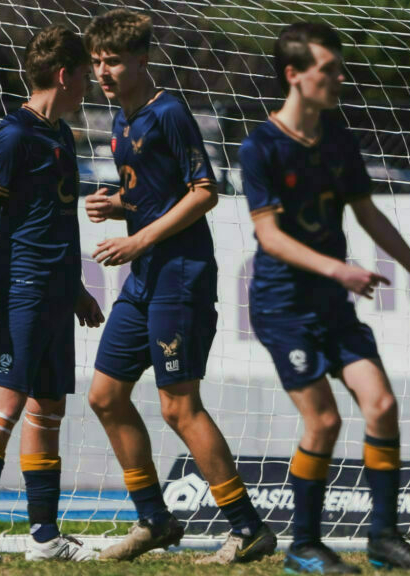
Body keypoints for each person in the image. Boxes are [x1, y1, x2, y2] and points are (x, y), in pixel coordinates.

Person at [239, 21, 410, 574]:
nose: (340, 77)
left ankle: (385, 539)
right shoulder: (260, 145)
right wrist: (339, 269)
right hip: (282, 307)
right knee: (324, 422)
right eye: (328, 70)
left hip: (332, 306)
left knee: (382, 406)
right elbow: (268, 236)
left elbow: (368, 215)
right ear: (293, 76)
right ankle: (303, 545)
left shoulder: (337, 135)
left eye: (339, 68)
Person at [82, 9, 274, 563]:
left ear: (141, 59)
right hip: (143, 281)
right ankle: (154, 521)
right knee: (105, 396)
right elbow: (154, 196)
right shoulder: (121, 120)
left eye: (113, 60)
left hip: (179, 278)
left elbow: (203, 191)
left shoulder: (170, 113)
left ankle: (246, 528)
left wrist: (139, 240)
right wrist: (118, 206)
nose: (103, 71)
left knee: (178, 406)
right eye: (97, 61)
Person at [0, 24, 102, 563]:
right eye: (85, 76)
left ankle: (44, 536)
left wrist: (79, 289)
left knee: (49, 410)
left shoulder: (60, 135)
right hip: (19, 291)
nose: (89, 86)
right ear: (64, 76)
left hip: (56, 295)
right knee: (6, 406)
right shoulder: (14, 135)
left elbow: (53, 223)